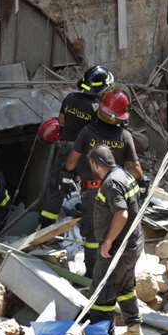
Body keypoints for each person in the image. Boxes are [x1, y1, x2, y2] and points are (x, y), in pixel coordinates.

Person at [66, 87, 141, 279]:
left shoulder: (87, 132)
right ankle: (113, 275)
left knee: (93, 237)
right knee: (114, 235)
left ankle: (92, 275)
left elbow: (71, 163)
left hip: (91, 194)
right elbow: (136, 171)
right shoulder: (125, 137)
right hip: (116, 194)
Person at [92, 145, 147, 335]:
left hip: (118, 248)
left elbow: (121, 214)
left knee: (102, 295)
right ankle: (135, 332)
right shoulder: (125, 174)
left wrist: (107, 241)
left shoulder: (111, 183)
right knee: (125, 287)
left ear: (96, 163)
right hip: (133, 244)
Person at [40, 65, 112, 227]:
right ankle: (89, 223)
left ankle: (45, 225)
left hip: (65, 148)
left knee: (56, 186)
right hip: (85, 153)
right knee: (90, 187)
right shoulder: (97, 109)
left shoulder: (70, 98)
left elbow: (61, 121)